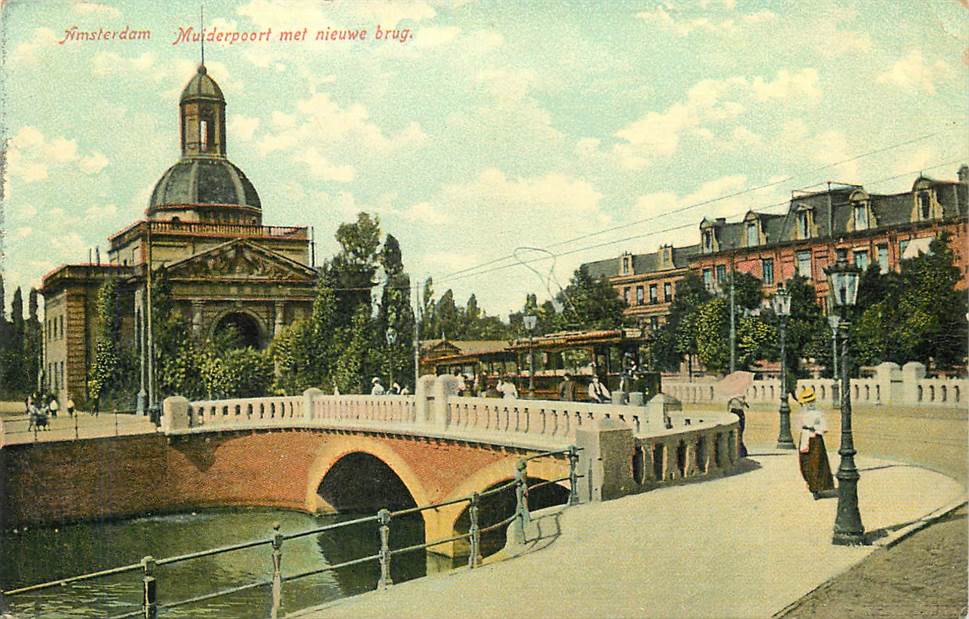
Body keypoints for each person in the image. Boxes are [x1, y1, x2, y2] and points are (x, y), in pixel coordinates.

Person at [796, 386, 835, 499]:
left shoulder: (819, 413)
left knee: (816, 463)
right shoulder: (802, 414)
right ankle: (810, 483)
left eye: (811, 401)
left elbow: (824, 427)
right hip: (805, 438)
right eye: (807, 402)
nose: (809, 404)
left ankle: (816, 487)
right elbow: (799, 426)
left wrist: (815, 428)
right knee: (805, 463)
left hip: (815, 440)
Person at [727, 393, 749, 458]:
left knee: (739, 432)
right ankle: (740, 450)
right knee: (738, 432)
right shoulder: (735, 395)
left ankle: (740, 450)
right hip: (736, 412)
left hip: (737, 411)